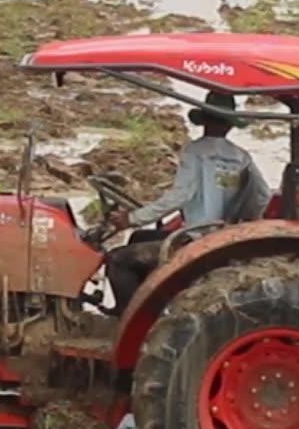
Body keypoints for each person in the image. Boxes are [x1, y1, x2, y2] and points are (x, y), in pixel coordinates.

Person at [102, 91, 267, 312]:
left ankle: (127, 318)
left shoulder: (195, 150)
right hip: (221, 236)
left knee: (118, 259)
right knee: (139, 237)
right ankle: (149, 304)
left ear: (205, 120)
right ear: (229, 125)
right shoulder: (241, 157)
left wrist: (132, 217)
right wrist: (240, 220)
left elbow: (181, 195)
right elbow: (262, 194)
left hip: (196, 239)